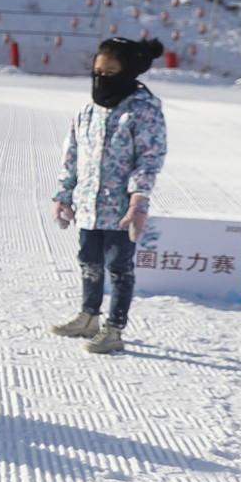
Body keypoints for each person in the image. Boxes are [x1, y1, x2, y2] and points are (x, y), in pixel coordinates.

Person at [50, 37, 168, 355]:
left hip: (120, 207)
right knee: (89, 261)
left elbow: (150, 157)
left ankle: (114, 329)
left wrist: (138, 200)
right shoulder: (88, 112)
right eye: (97, 71)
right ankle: (89, 316)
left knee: (118, 267)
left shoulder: (143, 111)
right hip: (89, 204)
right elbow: (71, 155)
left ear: (128, 71)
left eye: (111, 72)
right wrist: (64, 194)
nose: (102, 78)